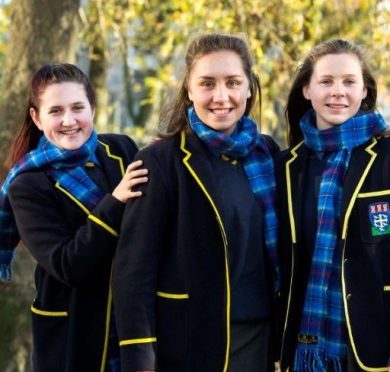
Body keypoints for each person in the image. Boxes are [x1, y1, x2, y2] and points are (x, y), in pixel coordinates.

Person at [112, 33, 280, 372]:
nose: (221, 96)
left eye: (233, 82)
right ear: (189, 91)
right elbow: (134, 272)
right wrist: (140, 357)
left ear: (249, 87)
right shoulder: (160, 162)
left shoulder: (269, 154)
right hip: (188, 343)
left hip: (260, 340)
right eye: (207, 84)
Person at [276, 39, 390, 372]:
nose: (338, 91)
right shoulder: (287, 166)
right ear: (307, 89)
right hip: (303, 350)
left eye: (349, 81)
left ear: (364, 90)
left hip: (377, 352)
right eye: (326, 81)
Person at [0, 63, 148, 372]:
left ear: (92, 108)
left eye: (78, 107)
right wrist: (116, 200)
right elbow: (68, 264)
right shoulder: (27, 185)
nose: (69, 121)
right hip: (75, 333)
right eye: (55, 111)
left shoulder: (121, 149)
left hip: (134, 325)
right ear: (36, 118)